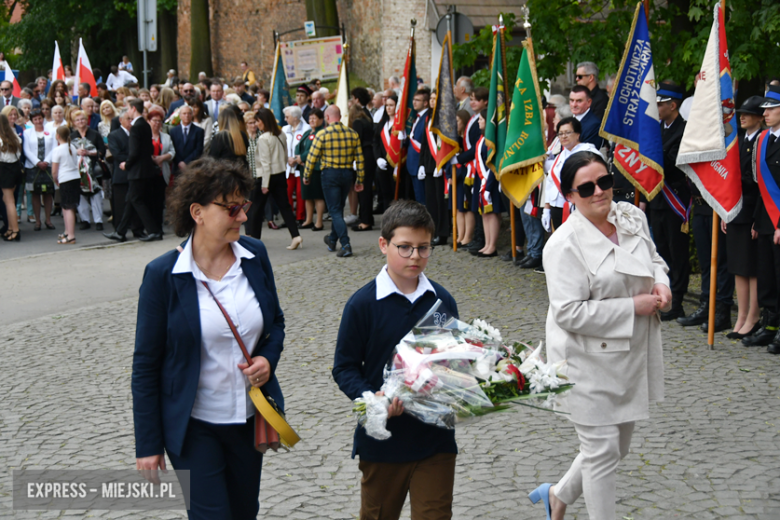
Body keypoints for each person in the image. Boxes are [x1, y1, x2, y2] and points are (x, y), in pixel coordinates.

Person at [133, 156, 286, 519]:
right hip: (193, 427)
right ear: (197, 213)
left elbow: (275, 323)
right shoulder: (163, 275)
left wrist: (267, 359)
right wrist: (148, 445)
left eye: (244, 206)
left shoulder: (255, 256)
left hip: (249, 421)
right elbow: (145, 365)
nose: (244, 217)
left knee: (244, 511)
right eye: (232, 208)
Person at [531, 151, 670, 520]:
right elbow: (568, 312)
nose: (599, 192)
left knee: (616, 448)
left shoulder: (631, 216)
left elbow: (654, 258)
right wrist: (631, 307)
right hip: (584, 358)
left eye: (605, 181)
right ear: (570, 195)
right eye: (587, 187)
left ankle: (556, 496)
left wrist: (661, 282)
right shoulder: (562, 246)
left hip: (630, 353)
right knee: (602, 451)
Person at [332, 199, 460, 520]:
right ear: (383, 244)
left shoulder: (442, 301)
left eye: (423, 247)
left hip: (435, 439)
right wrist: (371, 398)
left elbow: (451, 361)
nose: (415, 256)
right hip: (383, 442)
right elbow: (344, 367)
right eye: (404, 247)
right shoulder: (362, 304)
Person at [720, 96, 764, 339]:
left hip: (752, 211)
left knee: (752, 267)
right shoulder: (739, 142)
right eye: (741, 112)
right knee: (738, 266)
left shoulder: (761, 140)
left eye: (748, 113)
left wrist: (758, 218)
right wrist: (727, 209)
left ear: (760, 117)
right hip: (737, 210)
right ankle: (742, 315)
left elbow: (760, 184)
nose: (742, 116)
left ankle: (753, 315)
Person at [647, 81, 690, 320]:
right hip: (657, 198)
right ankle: (665, 295)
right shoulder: (658, 129)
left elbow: (674, 164)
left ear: (673, 105)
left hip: (675, 198)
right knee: (660, 249)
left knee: (677, 251)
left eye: (661, 103)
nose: (657, 106)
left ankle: (679, 299)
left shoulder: (684, 129)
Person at [304, 105, 365, 258]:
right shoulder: (352, 134)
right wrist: (360, 179)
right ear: (340, 117)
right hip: (347, 174)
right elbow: (360, 159)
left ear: (327, 117)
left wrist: (306, 175)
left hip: (330, 174)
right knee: (337, 208)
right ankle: (332, 239)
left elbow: (312, 157)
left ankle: (345, 244)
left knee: (335, 211)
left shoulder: (323, 134)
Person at [745, 85, 780, 353]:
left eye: (770, 109)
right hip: (766, 218)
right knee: (767, 274)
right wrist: (758, 220)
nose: (765, 113)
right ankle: (769, 324)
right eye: (765, 109)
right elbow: (760, 186)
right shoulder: (764, 139)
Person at [104, 98, 164, 242]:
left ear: (133, 109)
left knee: (136, 200)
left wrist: (127, 164)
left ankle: (154, 231)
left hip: (137, 171)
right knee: (131, 200)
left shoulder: (137, 127)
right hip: (144, 169)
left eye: (129, 108)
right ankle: (120, 232)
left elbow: (134, 152)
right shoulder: (145, 125)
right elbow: (148, 148)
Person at [248, 108, 301, 250]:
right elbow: (284, 155)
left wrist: (265, 184)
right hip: (280, 173)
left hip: (266, 176)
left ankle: (254, 240)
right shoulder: (281, 134)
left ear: (263, 121)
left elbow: (265, 163)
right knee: (285, 207)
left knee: (256, 209)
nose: (256, 124)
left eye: (258, 121)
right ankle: (295, 235)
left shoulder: (264, 138)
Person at [107, 109, 144, 238]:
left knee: (136, 203)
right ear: (120, 120)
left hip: (136, 174)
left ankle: (137, 229)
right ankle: (119, 231)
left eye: (131, 119)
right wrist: (133, 159)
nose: (130, 121)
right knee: (120, 205)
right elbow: (117, 154)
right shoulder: (114, 135)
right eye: (128, 119)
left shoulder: (136, 133)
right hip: (121, 175)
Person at [71, 109, 106, 230]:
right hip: (78, 170)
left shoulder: (94, 134)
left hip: (94, 169)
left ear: (87, 120)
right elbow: (68, 152)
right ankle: (84, 220)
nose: (80, 122)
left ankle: (98, 220)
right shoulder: (72, 136)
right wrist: (77, 152)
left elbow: (102, 151)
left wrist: (89, 153)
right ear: (74, 122)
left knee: (96, 194)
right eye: (78, 120)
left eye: (83, 119)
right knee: (80, 194)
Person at [22, 109, 56, 229]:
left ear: (43, 118)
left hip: (48, 166)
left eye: (40, 118)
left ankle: (48, 220)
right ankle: (37, 221)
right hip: (33, 167)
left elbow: (54, 147)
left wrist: (46, 161)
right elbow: (26, 150)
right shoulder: (27, 133)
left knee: (48, 194)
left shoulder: (51, 131)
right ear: (32, 121)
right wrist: (37, 162)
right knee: (35, 194)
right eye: (35, 119)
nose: (38, 121)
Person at [293, 108, 326, 231]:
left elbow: (313, 149)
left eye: (314, 118)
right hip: (304, 167)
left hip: (316, 168)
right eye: (310, 118)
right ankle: (308, 220)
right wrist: (298, 157)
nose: (311, 120)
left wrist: (300, 158)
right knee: (307, 196)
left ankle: (319, 222)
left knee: (317, 196)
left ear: (321, 120)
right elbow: (298, 146)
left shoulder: (321, 132)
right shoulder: (308, 132)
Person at [51, 125, 81, 244]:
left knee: (67, 207)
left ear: (57, 136)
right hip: (74, 177)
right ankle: (67, 231)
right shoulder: (72, 147)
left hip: (65, 179)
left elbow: (54, 170)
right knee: (67, 206)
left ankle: (71, 235)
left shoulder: (57, 150)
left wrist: (55, 179)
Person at [349, 103, 376, 231]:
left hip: (363, 156)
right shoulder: (367, 120)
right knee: (366, 188)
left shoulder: (357, 123)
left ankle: (365, 220)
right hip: (370, 155)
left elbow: (356, 141)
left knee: (362, 189)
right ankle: (366, 217)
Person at [148, 105, 176, 230]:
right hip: (148, 173)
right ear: (149, 121)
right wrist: (152, 158)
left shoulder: (166, 137)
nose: (157, 124)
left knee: (159, 201)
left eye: (159, 121)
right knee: (149, 200)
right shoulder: (145, 136)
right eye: (154, 121)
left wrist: (162, 158)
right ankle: (150, 226)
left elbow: (172, 152)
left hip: (161, 172)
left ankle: (158, 227)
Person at [282, 106, 310, 224]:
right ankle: (288, 218)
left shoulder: (306, 129)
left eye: (287, 117)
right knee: (287, 192)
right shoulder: (284, 129)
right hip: (288, 166)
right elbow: (282, 146)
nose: (285, 119)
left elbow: (307, 146)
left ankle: (300, 217)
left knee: (300, 193)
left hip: (300, 165)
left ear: (295, 118)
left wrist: (296, 158)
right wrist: (286, 158)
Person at [372, 93, 398, 215]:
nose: (388, 108)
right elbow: (375, 142)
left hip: (397, 165)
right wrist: (378, 158)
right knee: (385, 194)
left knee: (397, 195)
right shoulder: (382, 123)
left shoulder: (399, 125)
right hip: (383, 164)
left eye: (391, 105)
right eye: (387, 105)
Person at [0, 113, 22, 241]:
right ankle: (10, 228)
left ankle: (15, 230)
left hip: (5, 169)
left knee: (9, 202)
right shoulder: (14, 137)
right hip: (15, 168)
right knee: (8, 199)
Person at [170, 105, 205, 174]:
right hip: (177, 167)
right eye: (184, 113)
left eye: (189, 113)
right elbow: (172, 148)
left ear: (192, 115)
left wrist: (186, 162)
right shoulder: (173, 131)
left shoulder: (199, 131)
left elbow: (198, 149)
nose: (187, 115)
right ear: (180, 116)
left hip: (192, 166)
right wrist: (179, 162)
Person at [569, 85, 603, 149]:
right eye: (572, 100)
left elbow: (587, 154)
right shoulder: (568, 120)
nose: (574, 105)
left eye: (579, 101)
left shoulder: (595, 125)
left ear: (589, 102)